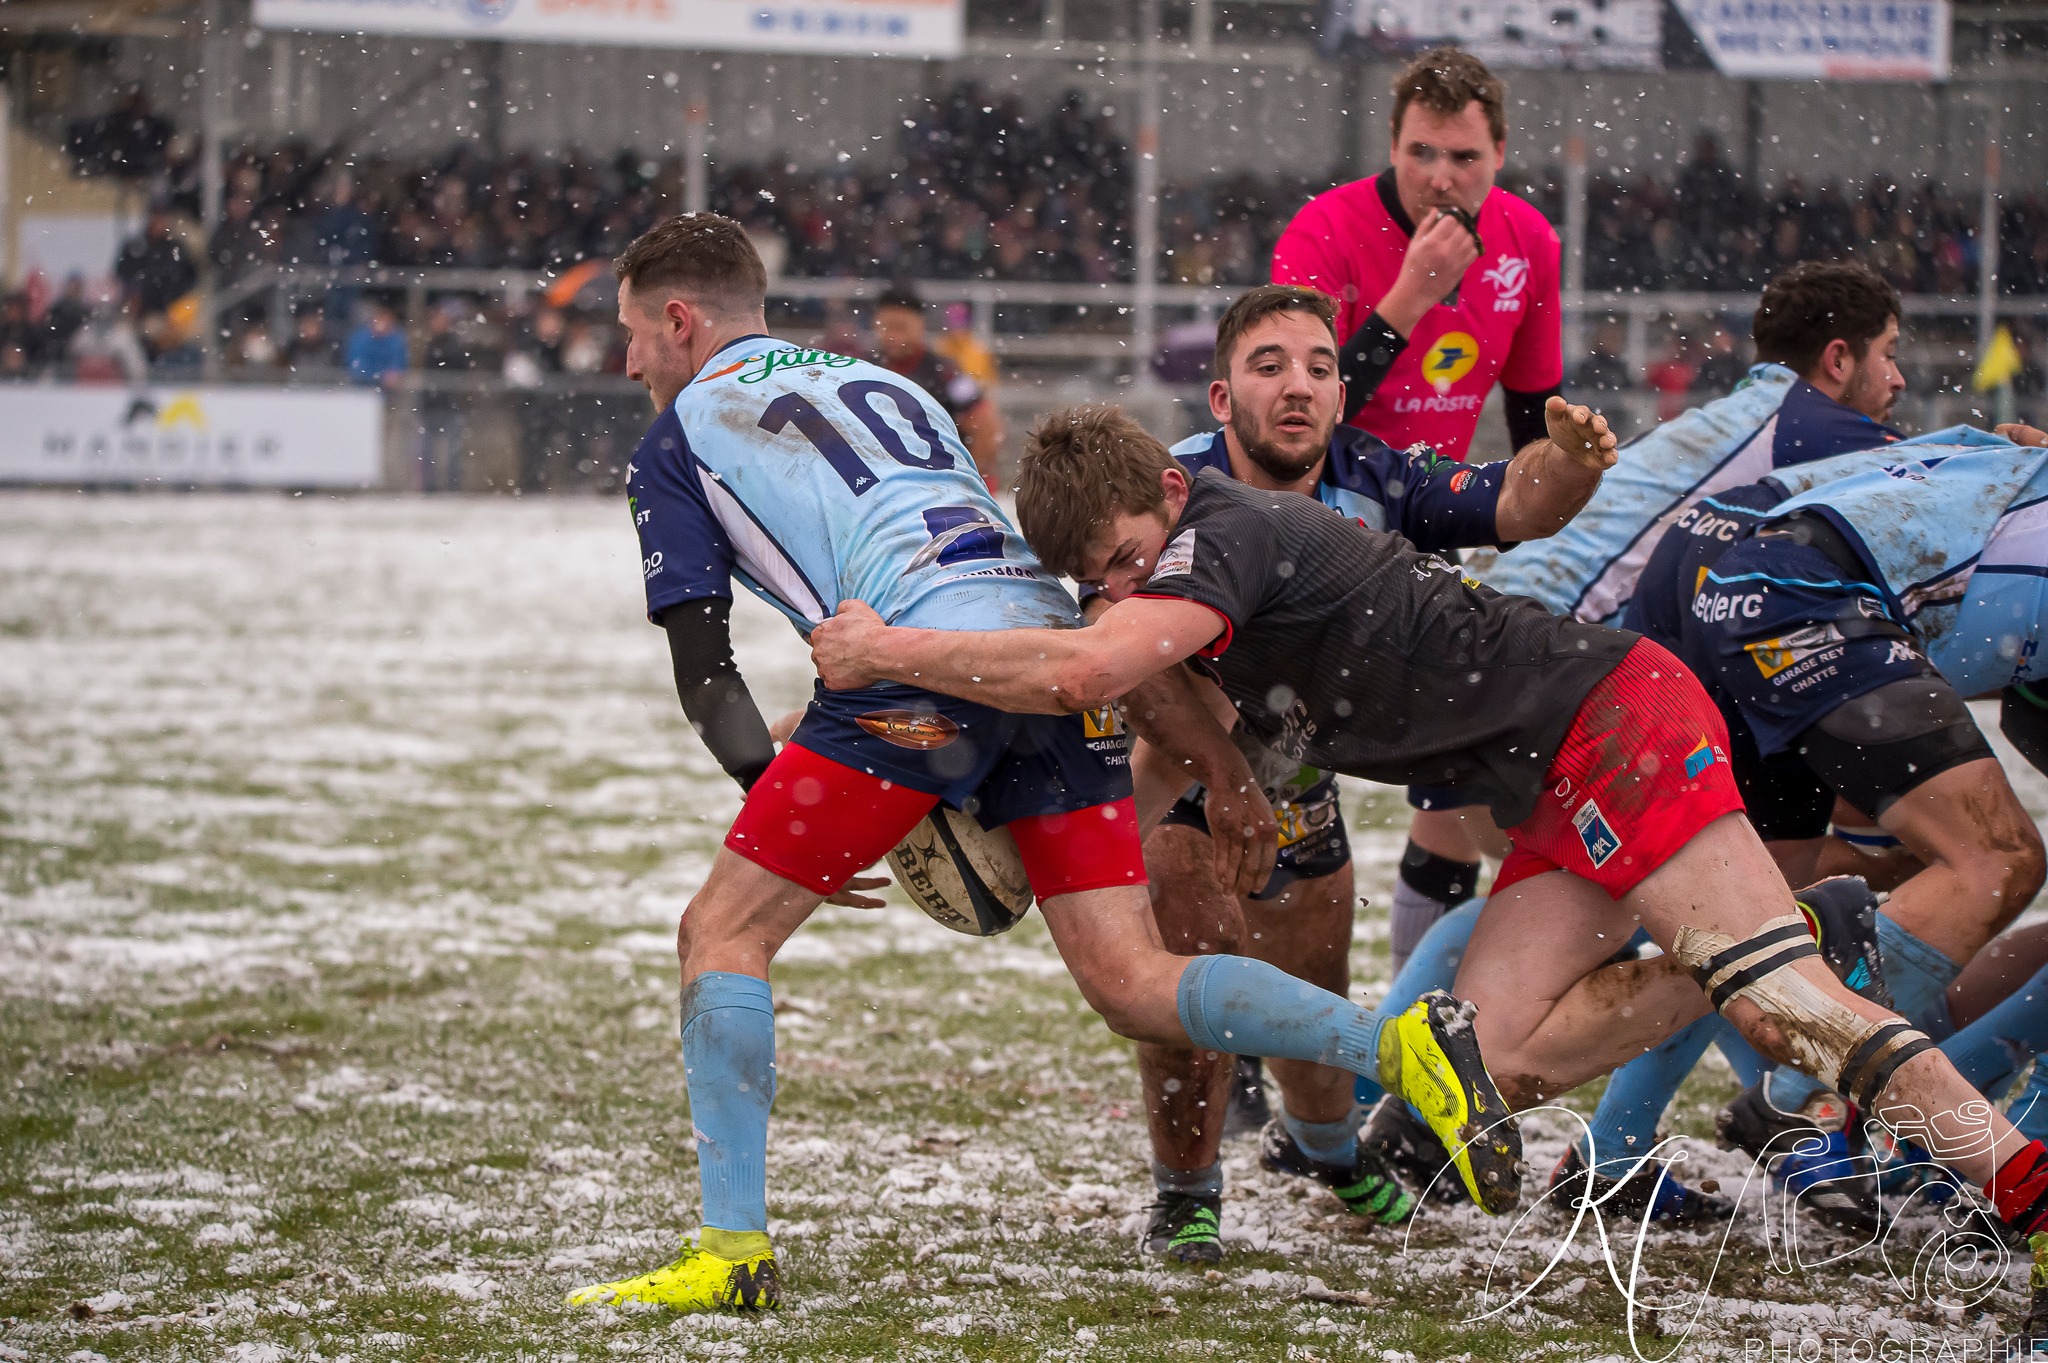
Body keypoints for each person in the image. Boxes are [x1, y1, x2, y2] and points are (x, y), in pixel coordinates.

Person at [807, 402, 2048, 1352]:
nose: (1125, 592)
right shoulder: (1200, 604)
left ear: (1170, 500)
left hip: (1611, 714)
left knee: (1787, 1006)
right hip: (1555, 772)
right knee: (1487, 1062)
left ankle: (2018, 1186)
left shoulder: (1221, 534)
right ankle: (1805, 928)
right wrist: (940, 846)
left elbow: (1083, 670)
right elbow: (1132, 756)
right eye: (1105, 580)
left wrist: (883, 648)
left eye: (1132, 560)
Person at [562, 212, 1519, 1315]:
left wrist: (757, 775)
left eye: (634, 332)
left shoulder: (679, 432)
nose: (629, 358)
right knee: (1129, 979)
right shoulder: (894, 384)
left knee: (721, 931)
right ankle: (1398, 1049)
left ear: (679, 321)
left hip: (910, 671)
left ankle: (728, 1252)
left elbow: (702, 662)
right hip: (1049, 656)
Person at [1118, 283, 1611, 1262]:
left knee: (1309, 981)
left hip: (1299, 760)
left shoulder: (1375, 476)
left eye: (1316, 368)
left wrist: (1568, 462)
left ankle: (1328, 1152)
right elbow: (1110, 643)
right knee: (1187, 970)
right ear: (1220, 400)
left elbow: (1513, 504)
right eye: (1267, 368)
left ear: (1341, 395)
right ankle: (1185, 1189)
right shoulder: (1166, 488)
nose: (1294, 388)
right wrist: (1216, 768)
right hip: (1181, 752)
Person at [1385, 262, 1909, 987]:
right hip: (1541, 645)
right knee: (1605, 901)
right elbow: (1940, 481)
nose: (1899, 379)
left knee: (1570, 885)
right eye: (1889, 352)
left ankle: (1388, 1076)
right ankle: (1392, 1071)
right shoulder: (1816, 426)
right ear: (1839, 358)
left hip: (1476, 624)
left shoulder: (1742, 416)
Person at [1269, 46, 1566, 1000]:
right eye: (1422, 153)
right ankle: (1235, 1053)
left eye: (1465, 159)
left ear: (1502, 154)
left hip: (1431, 524)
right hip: (1309, 527)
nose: (1442, 177)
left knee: (1459, 797)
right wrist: (1410, 295)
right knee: (1267, 809)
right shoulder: (1325, 229)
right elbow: (1295, 411)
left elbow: (1534, 427)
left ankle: (1419, 1036)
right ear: (1391, 146)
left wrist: (1550, 500)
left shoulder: (1531, 244)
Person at [871, 287, 1005, 486]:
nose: (894, 337)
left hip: (937, 483)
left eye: (901, 328)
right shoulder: (867, 369)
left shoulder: (945, 373)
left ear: (920, 326)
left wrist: (972, 483)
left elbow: (986, 423)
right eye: (887, 328)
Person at [343, 299, 409, 388]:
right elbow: (356, 364)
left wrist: (393, 374)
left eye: (387, 320)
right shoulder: (360, 337)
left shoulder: (397, 339)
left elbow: (399, 362)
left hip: (389, 389)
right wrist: (378, 376)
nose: (382, 324)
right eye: (380, 319)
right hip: (361, 386)